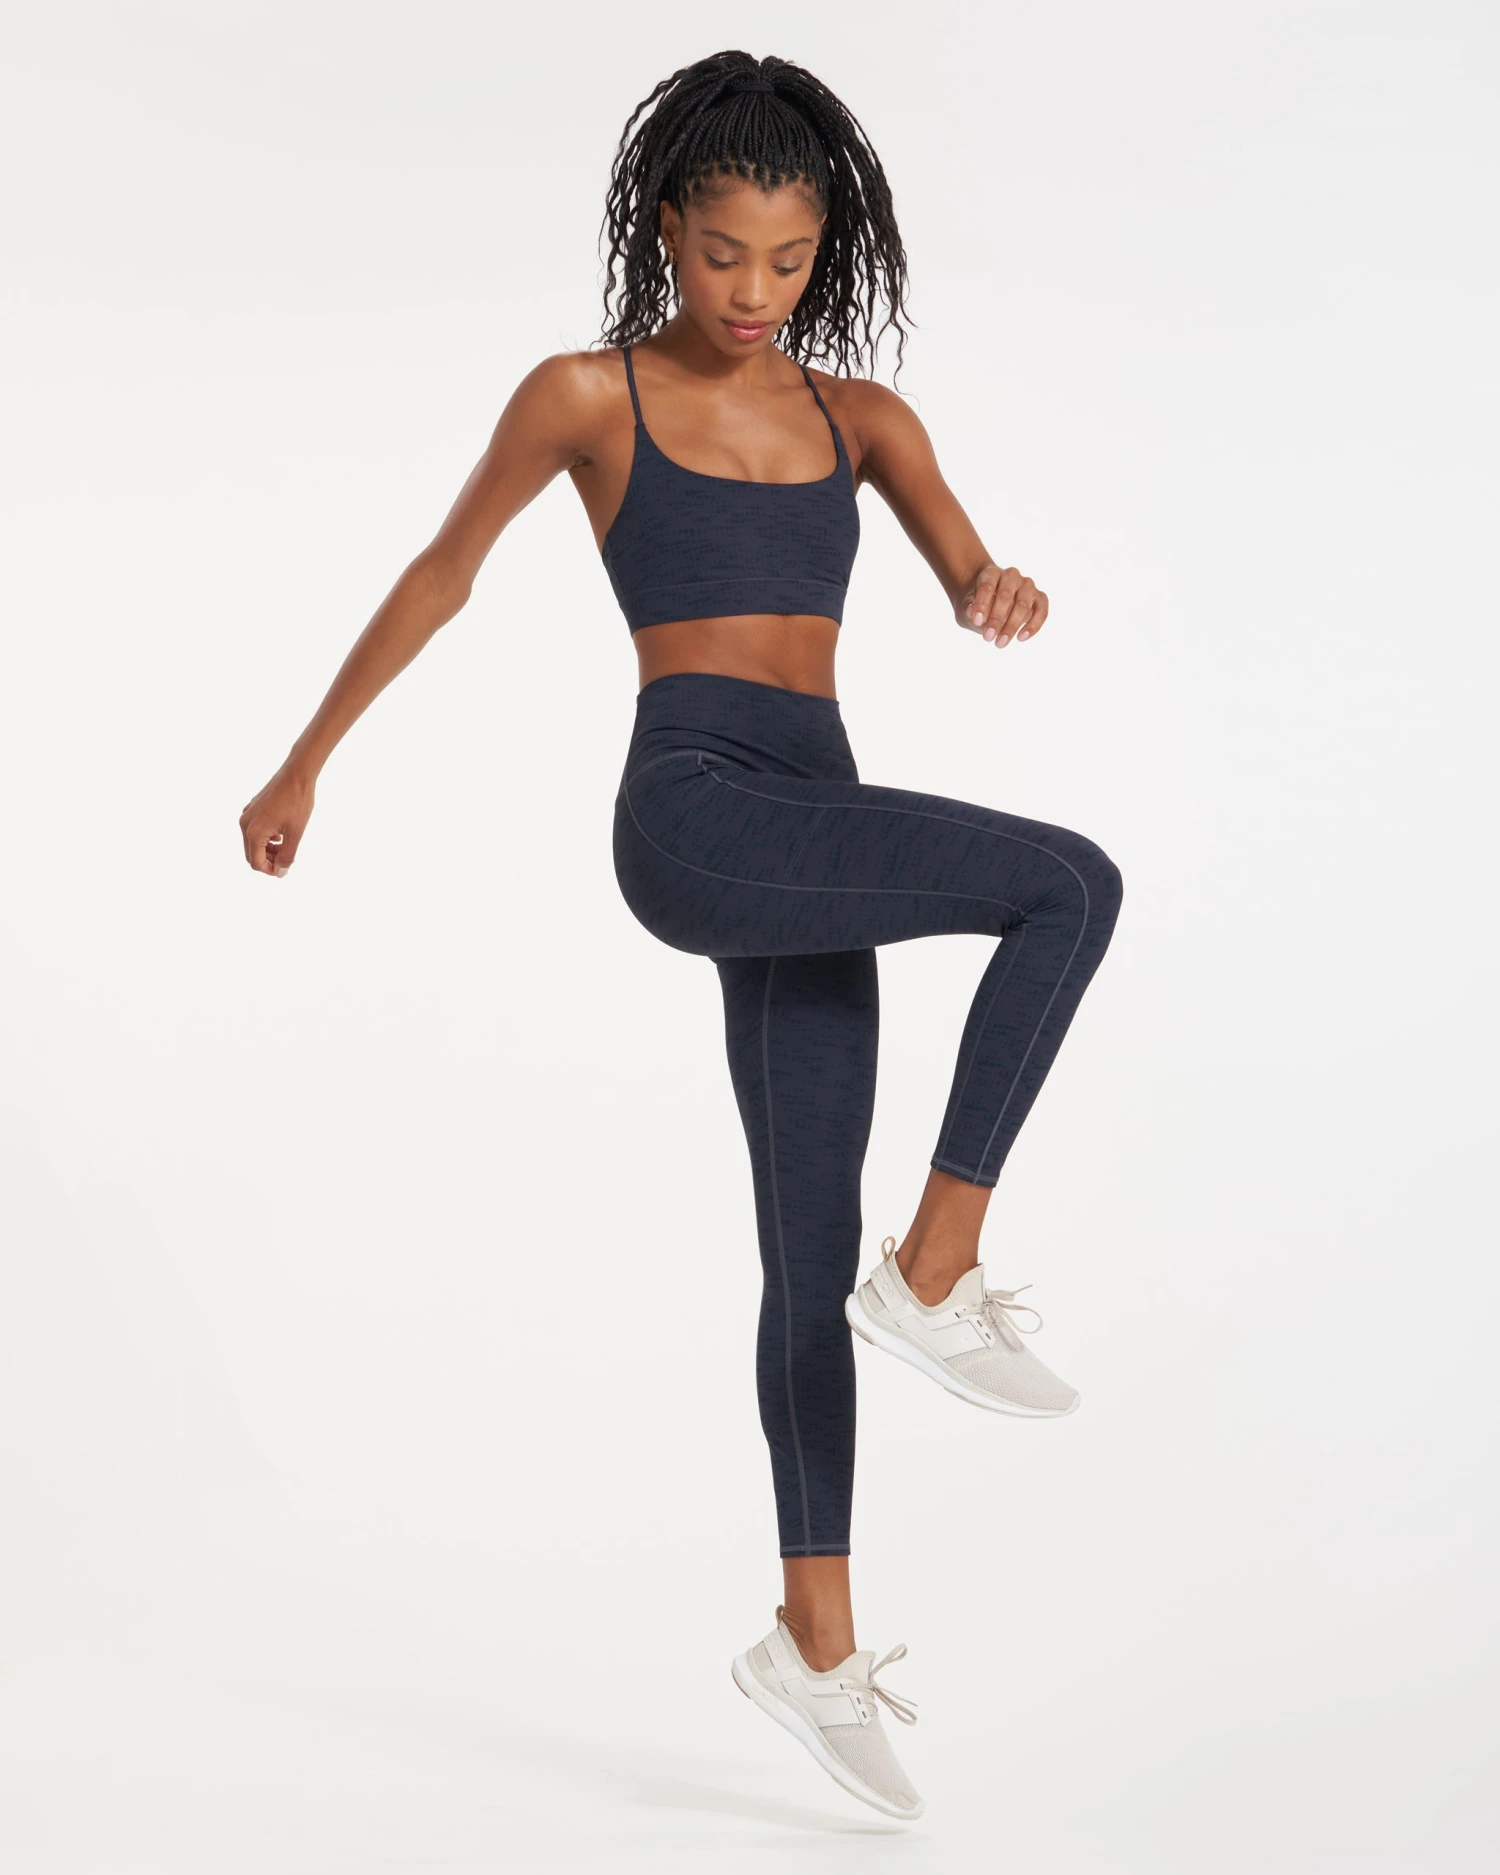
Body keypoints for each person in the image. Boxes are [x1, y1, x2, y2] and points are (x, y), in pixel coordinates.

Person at [239, 49, 1124, 1821]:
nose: (752, 290)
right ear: (666, 228)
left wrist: (997, 589)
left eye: (788, 260)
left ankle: (813, 1644)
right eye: (723, 252)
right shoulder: (588, 394)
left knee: (803, 1253)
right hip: (699, 809)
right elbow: (442, 572)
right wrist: (305, 759)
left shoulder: (864, 422)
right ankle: (937, 1270)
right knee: (1070, 882)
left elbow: (968, 574)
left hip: (816, 820)